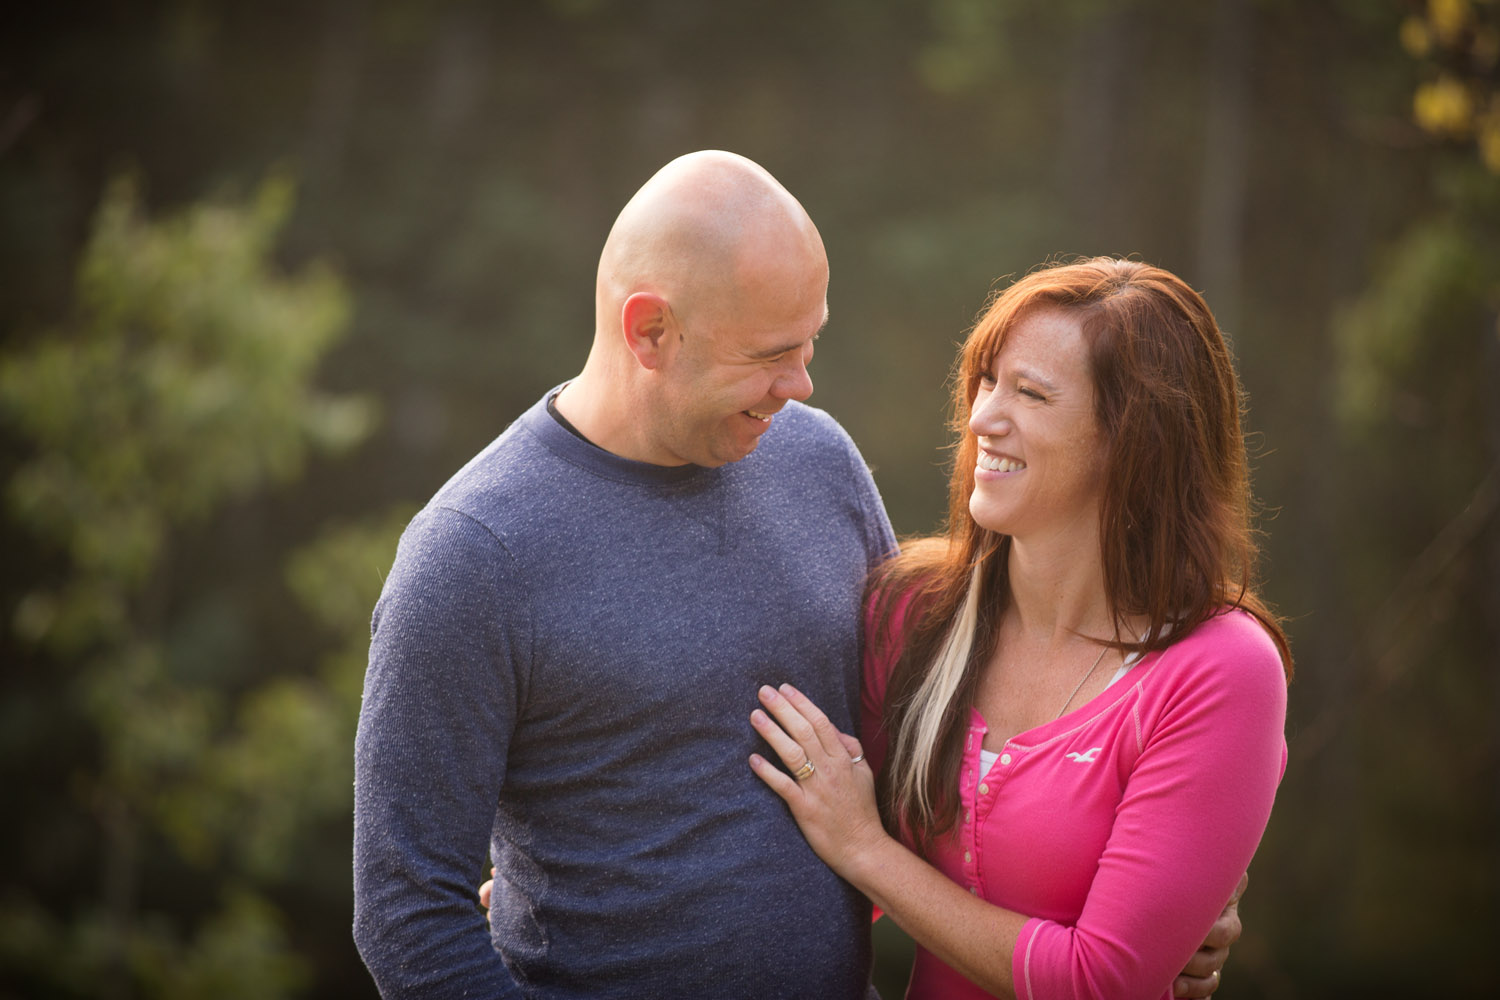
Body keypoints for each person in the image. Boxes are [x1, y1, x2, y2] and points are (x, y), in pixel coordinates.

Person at [355, 151, 1240, 999]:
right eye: (771, 353)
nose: (803, 384)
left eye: (810, 343)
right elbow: (406, 917)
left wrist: (1163, 903)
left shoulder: (815, 463)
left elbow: (924, 763)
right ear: (650, 331)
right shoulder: (474, 555)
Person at [749, 258, 1290, 1000]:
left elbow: (1101, 982)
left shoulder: (1219, 669)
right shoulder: (911, 613)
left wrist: (864, 849)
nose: (980, 418)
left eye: (1029, 394)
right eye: (987, 381)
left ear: (1132, 441)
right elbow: (836, 899)